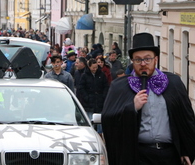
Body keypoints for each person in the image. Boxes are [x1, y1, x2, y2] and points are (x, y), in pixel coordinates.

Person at [102, 32, 195, 165]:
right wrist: (131, 107)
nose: (143, 63)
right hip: (138, 155)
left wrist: (186, 149)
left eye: (147, 59)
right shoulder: (120, 86)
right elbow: (108, 119)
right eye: (138, 59)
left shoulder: (173, 83)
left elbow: (186, 118)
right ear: (132, 61)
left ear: (155, 59)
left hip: (170, 155)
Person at [78, 58, 109, 133]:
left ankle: (100, 134)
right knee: (90, 121)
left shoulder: (101, 75)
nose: (95, 69)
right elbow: (81, 87)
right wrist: (86, 97)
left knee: (99, 123)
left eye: (96, 67)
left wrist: (104, 96)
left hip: (100, 101)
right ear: (89, 67)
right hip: (88, 102)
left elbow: (106, 86)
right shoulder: (84, 76)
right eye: (93, 67)